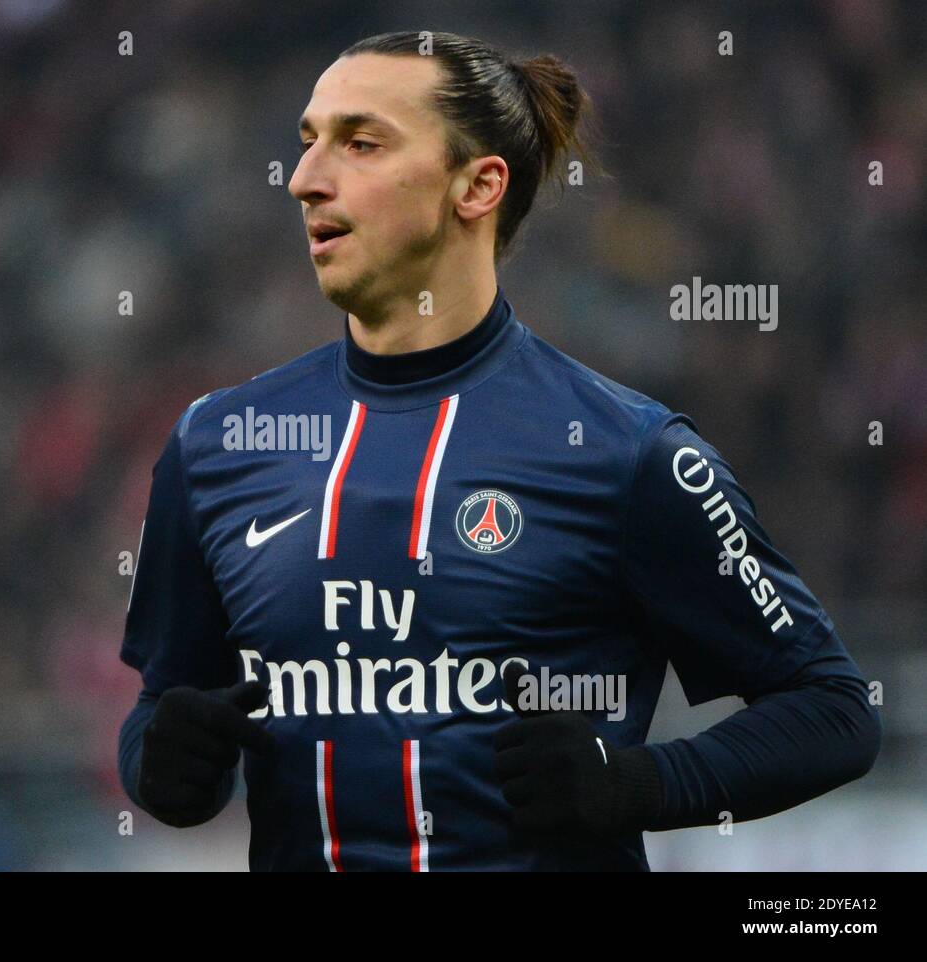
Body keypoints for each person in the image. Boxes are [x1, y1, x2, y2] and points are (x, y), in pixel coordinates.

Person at [116, 30, 881, 870]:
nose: (304, 180)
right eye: (308, 144)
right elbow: (163, 707)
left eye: (360, 143)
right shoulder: (217, 445)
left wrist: (638, 782)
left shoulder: (626, 452)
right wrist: (162, 764)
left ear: (477, 186)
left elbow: (834, 709)